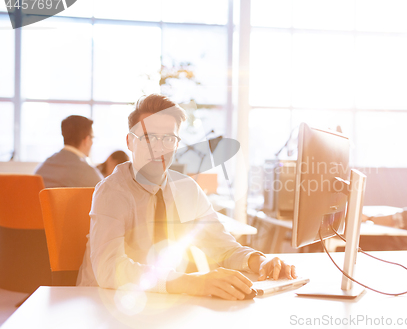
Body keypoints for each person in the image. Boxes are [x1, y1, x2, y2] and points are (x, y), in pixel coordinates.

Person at [77, 94, 297, 300]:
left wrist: (260, 261)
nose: (158, 148)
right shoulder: (111, 192)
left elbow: (223, 247)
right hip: (104, 303)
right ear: (130, 142)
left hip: (160, 304)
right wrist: (192, 283)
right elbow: (109, 269)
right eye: (148, 137)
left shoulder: (187, 189)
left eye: (168, 139)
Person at [35, 115, 103, 188]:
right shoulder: (87, 172)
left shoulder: (43, 168)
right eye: (92, 138)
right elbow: (104, 193)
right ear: (86, 140)